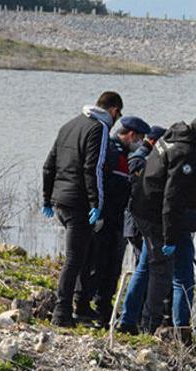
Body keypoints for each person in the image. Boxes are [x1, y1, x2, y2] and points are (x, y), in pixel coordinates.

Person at [128, 110, 196, 333]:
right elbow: (172, 196)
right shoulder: (185, 153)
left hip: (147, 209)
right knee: (164, 271)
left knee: (151, 270)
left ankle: (130, 321)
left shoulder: (174, 133)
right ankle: (151, 326)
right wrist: (170, 235)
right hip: (160, 215)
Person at [42, 91, 123, 327]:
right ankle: (62, 312)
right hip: (79, 203)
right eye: (118, 114)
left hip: (62, 201)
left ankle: (81, 306)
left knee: (84, 255)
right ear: (114, 110)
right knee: (75, 259)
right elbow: (93, 168)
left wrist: (48, 199)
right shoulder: (98, 128)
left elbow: (49, 165)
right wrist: (96, 204)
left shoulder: (69, 125)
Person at [73, 115, 151, 326]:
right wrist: (99, 213)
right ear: (131, 135)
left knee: (111, 268)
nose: (140, 143)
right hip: (106, 219)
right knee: (96, 264)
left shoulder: (122, 154)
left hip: (116, 220)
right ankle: (83, 305)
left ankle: (103, 307)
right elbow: (103, 185)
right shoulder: (112, 152)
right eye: (140, 138)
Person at [123, 125, 166, 264]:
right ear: (154, 142)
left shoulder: (144, 157)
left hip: (138, 220)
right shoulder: (139, 160)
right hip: (136, 221)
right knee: (145, 263)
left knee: (145, 262)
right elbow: (134, 190)